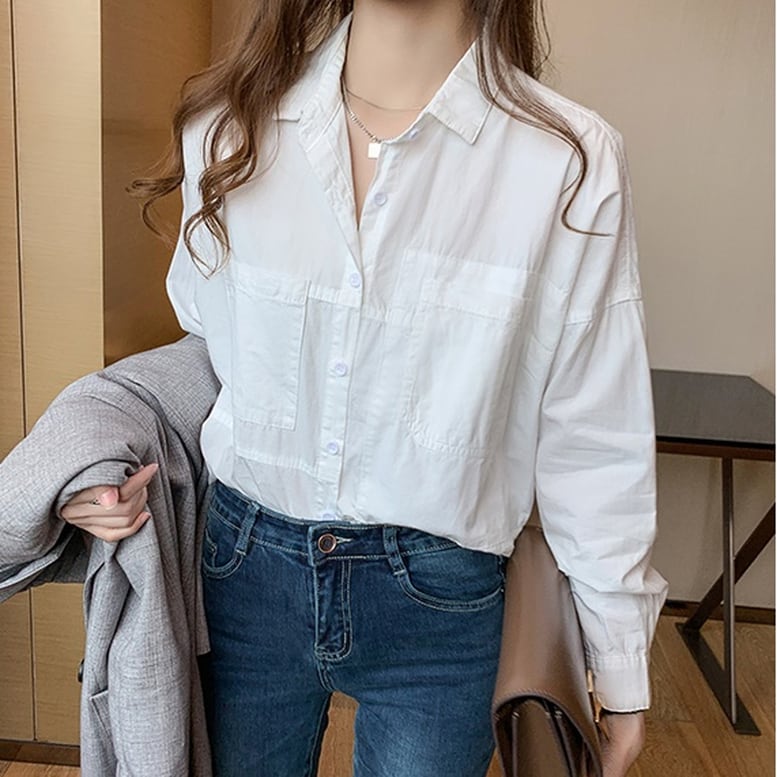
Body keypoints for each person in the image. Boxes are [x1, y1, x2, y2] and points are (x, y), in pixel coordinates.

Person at [59, 0, 668, 775]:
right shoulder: (228, 128)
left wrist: (618, 662)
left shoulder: (568, 162)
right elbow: (211, 358)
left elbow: (591, 430)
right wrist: (95, 457)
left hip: (443, 598)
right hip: (243, 570)